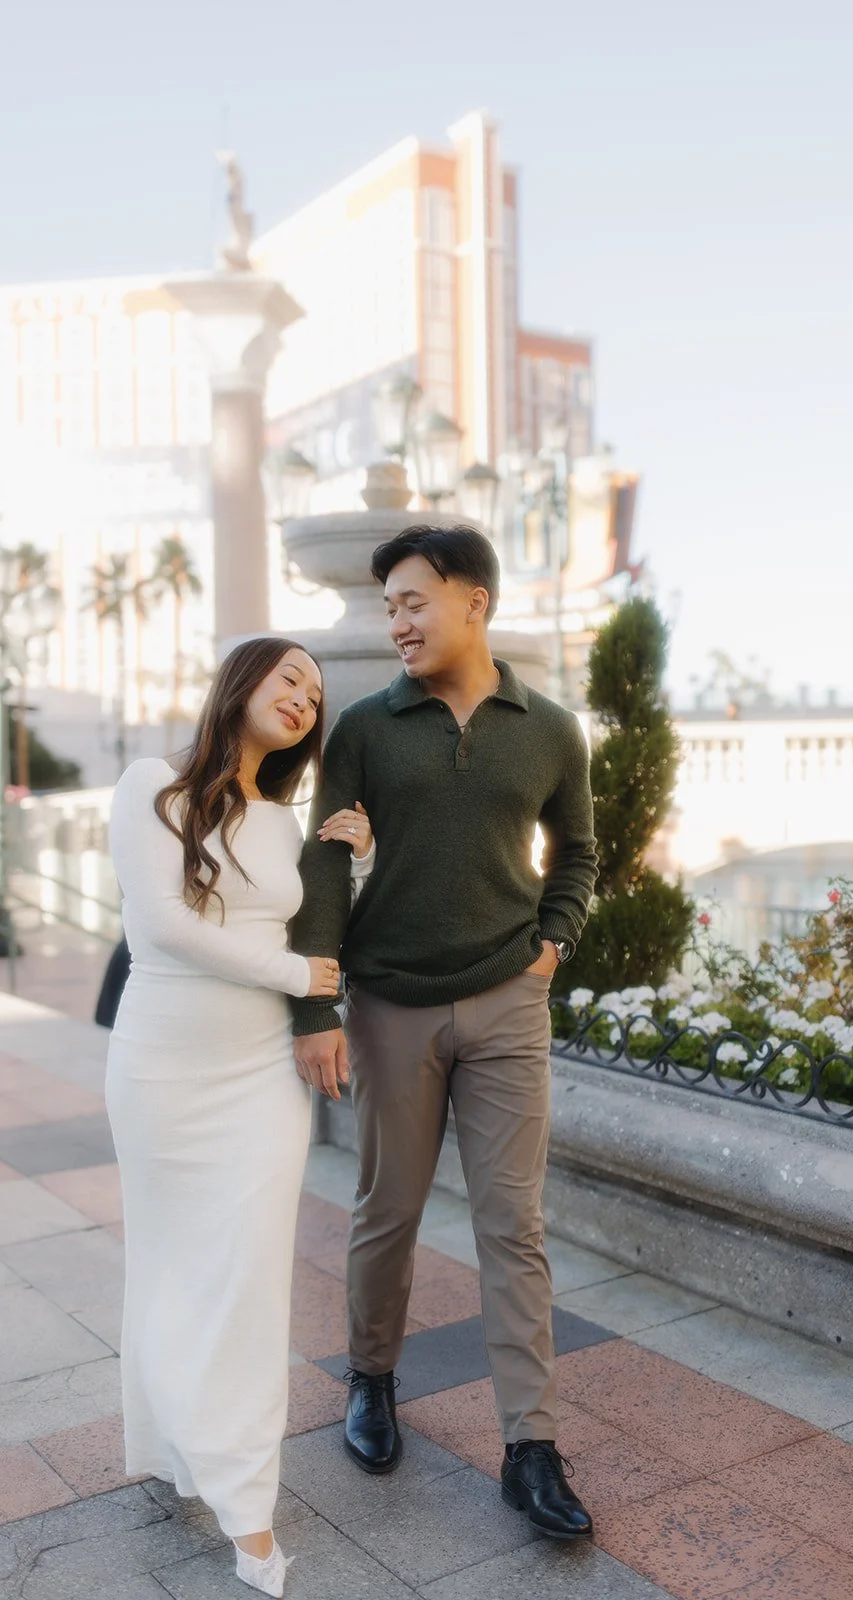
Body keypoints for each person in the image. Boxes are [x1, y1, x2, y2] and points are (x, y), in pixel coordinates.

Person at [289, 524, 599, 1542]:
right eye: (387, 607)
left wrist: (550, 947)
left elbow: (578, 857)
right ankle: (371, 1381)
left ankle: (531, 1447)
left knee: (514, 1224)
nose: (398, 621)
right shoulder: (366, 731)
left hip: (509, 1000)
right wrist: (314, 1002)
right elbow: (325, 865)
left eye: (413, 600)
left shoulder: (550, 728)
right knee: (387, 1207)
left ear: (475, 599)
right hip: (387, 1002)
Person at [105, 637, 372, 1598]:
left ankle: (247, 1509)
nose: (304, 697)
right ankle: (182, 1446)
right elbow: (164, 922)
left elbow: (321, 936)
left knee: (249, 1280)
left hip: (261, 1075)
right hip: (162, 1067)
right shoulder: (152, 784)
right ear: (242, 681)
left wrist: (356, 862)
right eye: (289, 677)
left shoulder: (288, 823)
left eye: (315, 690)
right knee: (173, 1268)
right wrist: (295, 975)